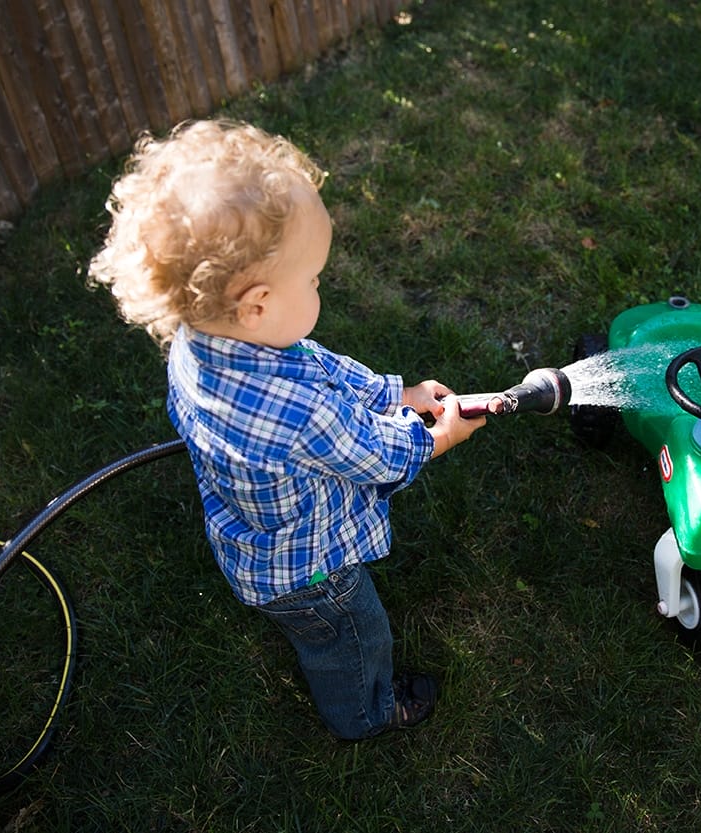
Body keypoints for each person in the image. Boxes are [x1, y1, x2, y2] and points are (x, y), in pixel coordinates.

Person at [88, 119, 485, 739]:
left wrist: (395, 393)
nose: (320, 287)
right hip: (308, 572)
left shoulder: (200, 344)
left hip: (250, 537)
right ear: (258, 304)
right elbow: (379, 456)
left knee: (342, 628)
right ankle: (365, 713)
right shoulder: (301, 415)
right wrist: (437, 436)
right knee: (353, 634)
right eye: (314, 280)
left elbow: (318, 364)